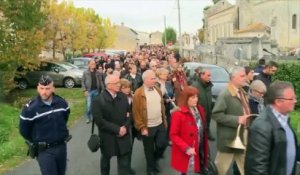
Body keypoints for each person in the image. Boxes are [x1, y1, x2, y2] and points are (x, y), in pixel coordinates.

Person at [19, 75, 70, 175]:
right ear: (38, 88)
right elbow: (24, 131)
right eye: (41, 88)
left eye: (47, 88)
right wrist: (37, 139)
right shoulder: (30, 109)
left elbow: (65, 118)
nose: (44, 92)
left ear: (53, 88)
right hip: (44, 151)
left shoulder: (62, 103)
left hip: (61, 147)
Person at [245, 81, 298, 175]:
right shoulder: (262, 127)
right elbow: (257, 168)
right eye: (291, 99)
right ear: (278, 102)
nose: (295, 101)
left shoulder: (284, 120)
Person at [212, 67, 250, 175]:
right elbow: (216, 115)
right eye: (242, 76)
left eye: (245, 76)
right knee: (220, 169)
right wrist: (236, 119)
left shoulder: (242, 92)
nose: (245, 78)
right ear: (233, 78)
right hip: (229, 139)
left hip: (242, 135)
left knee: (245, 167)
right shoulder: (225, 94)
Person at [91, 75, 132, 175]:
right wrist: (117, 129)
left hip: (124, 135)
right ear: (108, 85)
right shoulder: (98, 100)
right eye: (116, 83)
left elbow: (129, 114)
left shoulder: (122, 96)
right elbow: (99, 121)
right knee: (105, 159)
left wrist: (125, 127)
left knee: (124, 164)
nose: (119, 85)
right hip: (108, 137)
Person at [132, 70, 168, 175]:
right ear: (145, 80)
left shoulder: (158, 90)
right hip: (147, 126)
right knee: (148, 150)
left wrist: (164, 120)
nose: (155, 80)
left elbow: (162, 107)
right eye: (152, 78)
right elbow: (136, 112)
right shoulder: (139, 93)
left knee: (162, 144)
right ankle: (150, 169)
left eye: (155, 78)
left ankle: (154, 160)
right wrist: (142, 128)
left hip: (160, 124)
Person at [170, 86, 209, 175]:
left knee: (200, 166)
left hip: (200, 145)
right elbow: (173, 135)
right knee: (187, 170)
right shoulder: (178, 114)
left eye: (196, 97)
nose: (196, 99)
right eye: (192, 97)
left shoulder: (199, 109)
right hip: (187, 149)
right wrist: (186, 148)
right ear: (186, 99)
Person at [191, 67, 215, 140]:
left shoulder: (208, 85)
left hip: (207, 110)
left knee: (207, 122)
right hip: (199, 112)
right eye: (208, 75)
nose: (210, 77)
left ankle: (207, 133)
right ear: (201, 75)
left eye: (210, 75)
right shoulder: (195, 86)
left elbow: (209, 97)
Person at [120, 78, 137, 175]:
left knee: (130, 147)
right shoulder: (118, 98)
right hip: (122, 126)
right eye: (124, 88)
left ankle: (128, 167)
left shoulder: (132, 97)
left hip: (132, 126)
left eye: (128, 87)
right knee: (123, 149)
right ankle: (123, 169)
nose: (127, 89)